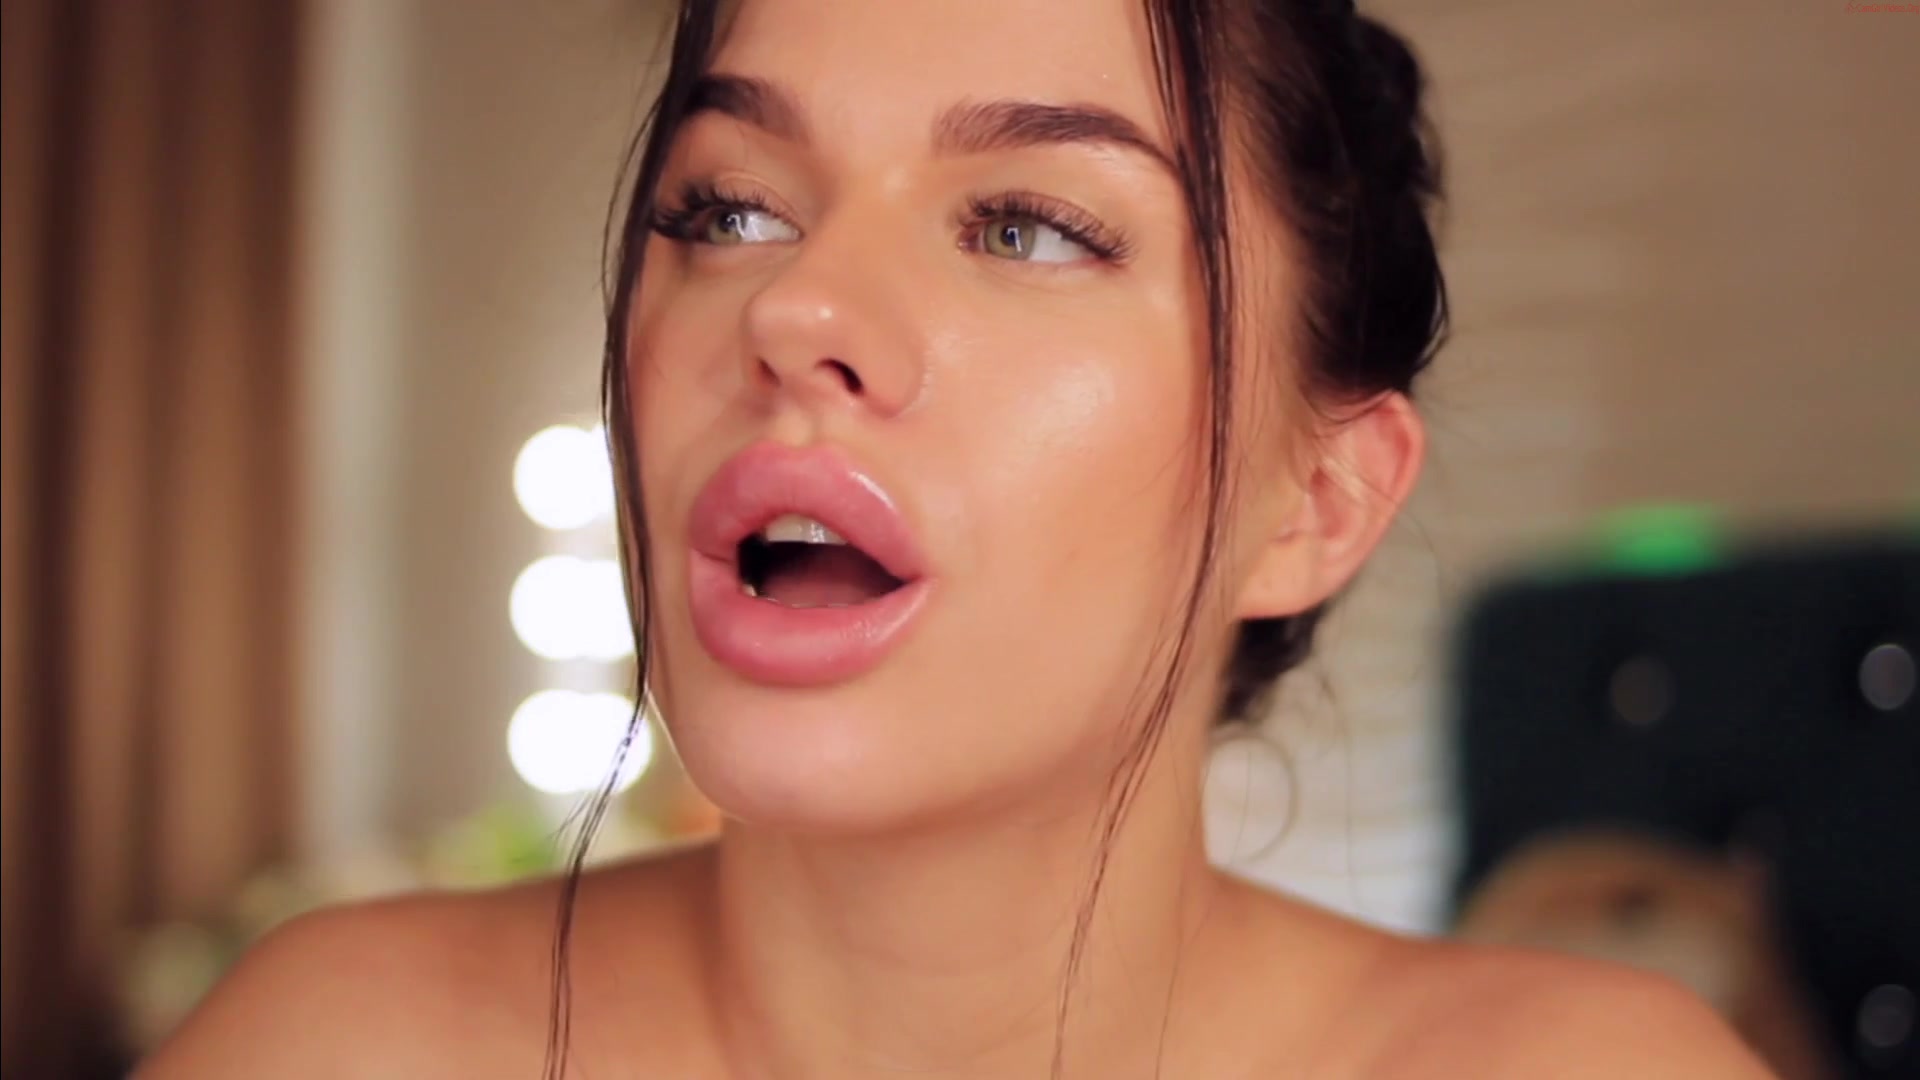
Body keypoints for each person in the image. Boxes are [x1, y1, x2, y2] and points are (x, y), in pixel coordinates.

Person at [144, 1, 1773, 1076]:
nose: (795, 308)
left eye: (1028, 227)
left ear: (1316, 501)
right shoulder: (331, 1044)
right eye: (730, 209)